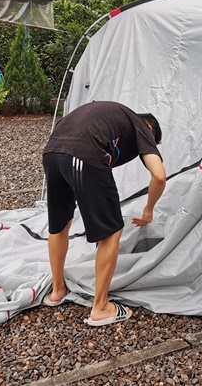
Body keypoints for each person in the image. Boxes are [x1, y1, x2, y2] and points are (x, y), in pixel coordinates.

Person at [41, 100, 166, 326]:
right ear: (149, 130)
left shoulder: (110, 115)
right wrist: (148, 210)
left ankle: (57, 290)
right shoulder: (140, 125)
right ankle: (101, 308)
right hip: (84, 154)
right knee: (111, 232)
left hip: (51, 153)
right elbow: (159, 176)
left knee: (59, 224)